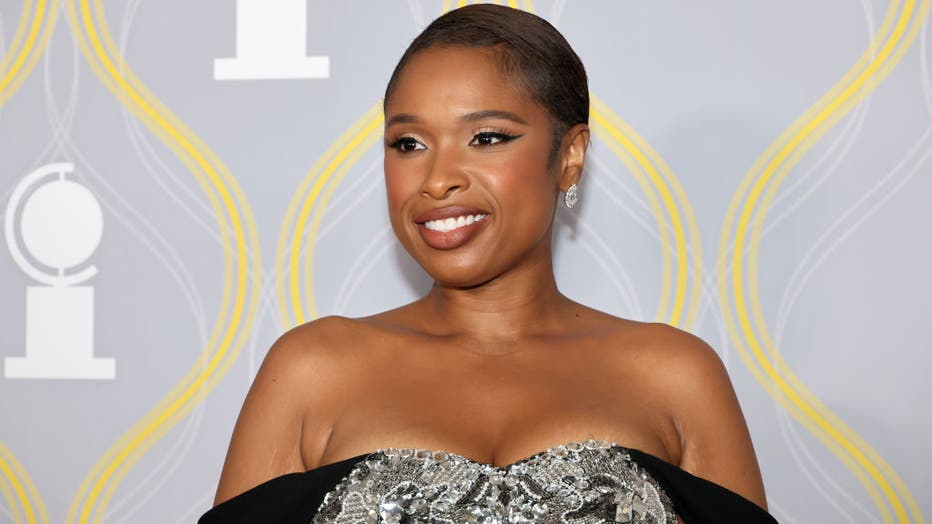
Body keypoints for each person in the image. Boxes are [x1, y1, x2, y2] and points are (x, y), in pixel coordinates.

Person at [199, 5, 777, 523]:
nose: (438, 178)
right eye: (409, 144)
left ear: (570, 155)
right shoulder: (310, 370)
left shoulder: (675, 375)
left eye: (487, 137)